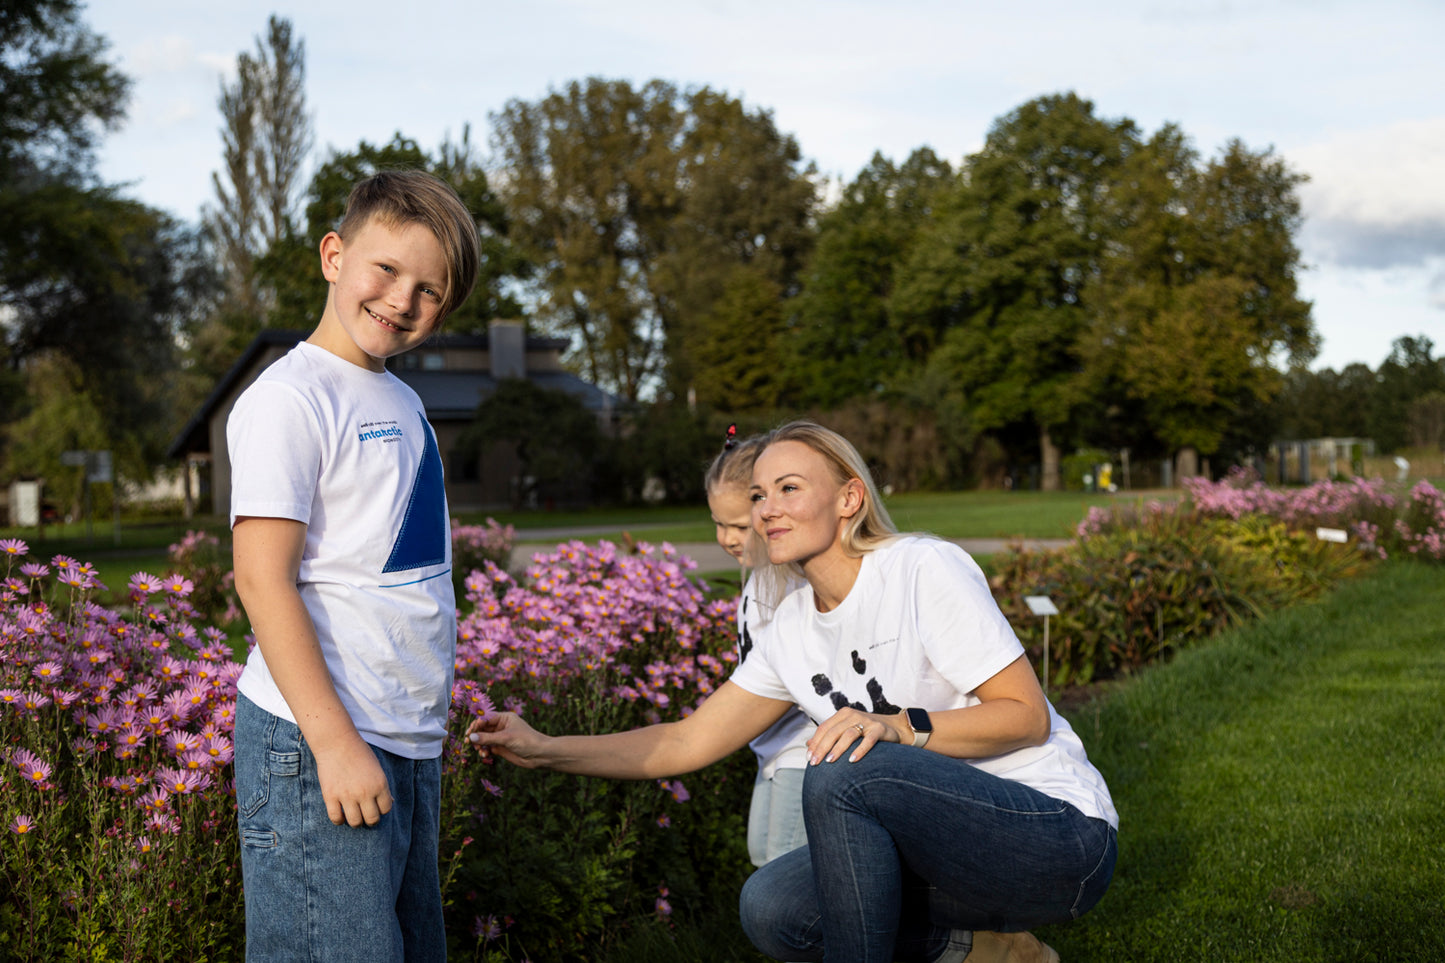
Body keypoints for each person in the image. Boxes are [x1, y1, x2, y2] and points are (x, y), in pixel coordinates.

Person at [468, 420, 1117, 963]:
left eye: (787, 488)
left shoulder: (920, 567)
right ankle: (984, 948)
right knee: (772, 905)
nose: (765, 507)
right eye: (757, 494)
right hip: (945, 859)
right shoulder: (791, 629)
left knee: (841, 769)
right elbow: (685, 739)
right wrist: (546, 746)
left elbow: (1025, 717)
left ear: (848, 498)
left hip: (1055, 836)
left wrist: (897, 724)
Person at [228, 170, 480, 961]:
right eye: (387, 270)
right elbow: (261, 578)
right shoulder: (290, 397)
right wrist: (335, 742)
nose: (403, 299)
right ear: (334, 255)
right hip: (317, 741)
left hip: (402, 739)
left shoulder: (400, 400)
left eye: (429, 289)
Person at [705, 425, 813, 867]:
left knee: (785, 868)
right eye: (717, 524)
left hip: (805, 749)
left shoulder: (798, 584)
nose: (727, 539)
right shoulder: (757, 583)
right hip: (770, 747)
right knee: (761, 856)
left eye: (736, 526)